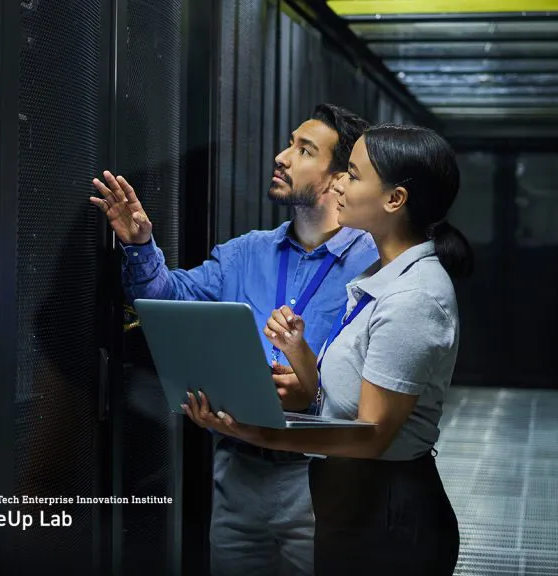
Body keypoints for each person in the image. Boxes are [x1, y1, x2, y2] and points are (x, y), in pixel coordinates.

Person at [90, 103, 377, 576]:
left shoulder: (371, 263)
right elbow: (170, 298)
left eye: (304, 150)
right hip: (237, 468)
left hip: (321, 477)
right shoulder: (247, 252)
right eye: (289, 143)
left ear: (340, 177)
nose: (282, 157)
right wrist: (141, 245)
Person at [182, 123, 472, 576]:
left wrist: (252, 432)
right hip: (355, 506)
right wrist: (297, 353)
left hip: (388, 517)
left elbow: (370, 436)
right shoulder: (382, 276)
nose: (340, 183)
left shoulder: (413, 297)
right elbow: (339, 403)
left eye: (353, 175)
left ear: (394, 200)